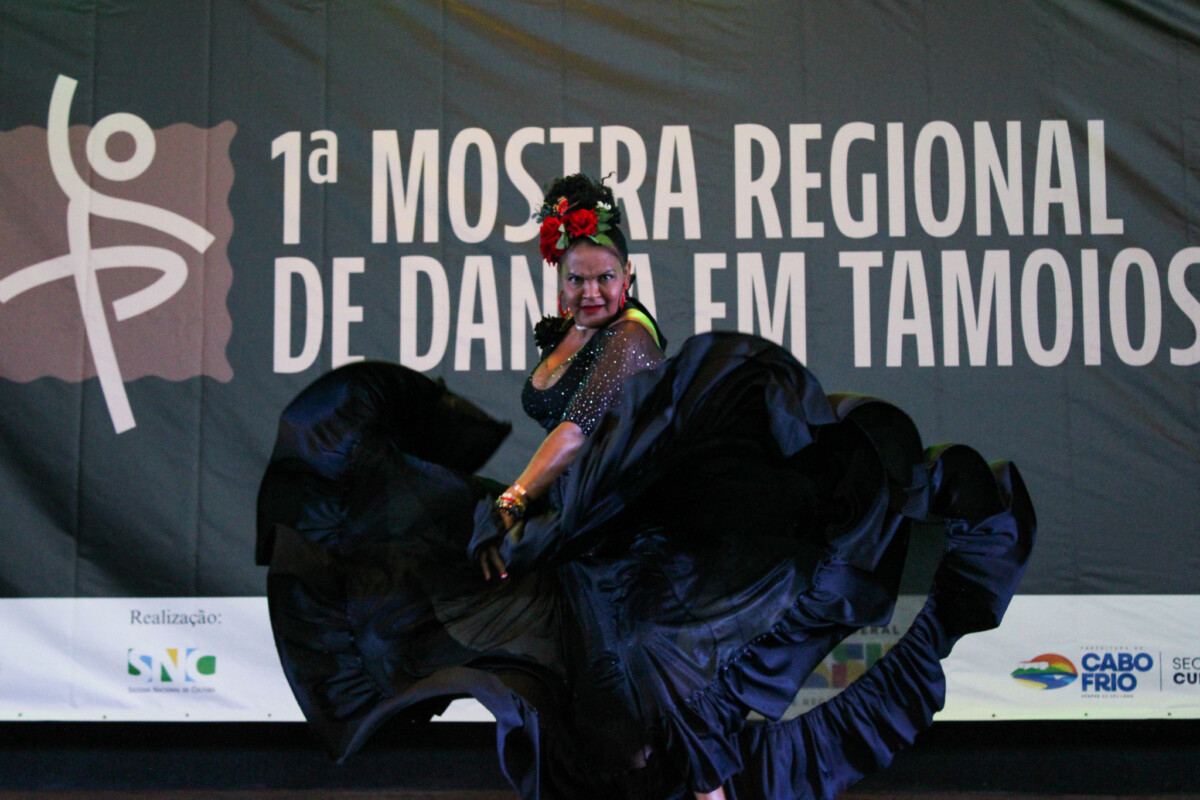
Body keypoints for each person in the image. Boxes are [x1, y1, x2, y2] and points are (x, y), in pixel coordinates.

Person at [258, 174, 1035, 800]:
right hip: (595, 540)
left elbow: (573, 436)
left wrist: (513, 501)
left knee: (661, 691)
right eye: (577, 277)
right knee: (578, 692)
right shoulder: (576, 335)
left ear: (628, 277)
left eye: (605, 276)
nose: (592, 290)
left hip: (646, 553)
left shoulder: (629, 337)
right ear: (557, 279)